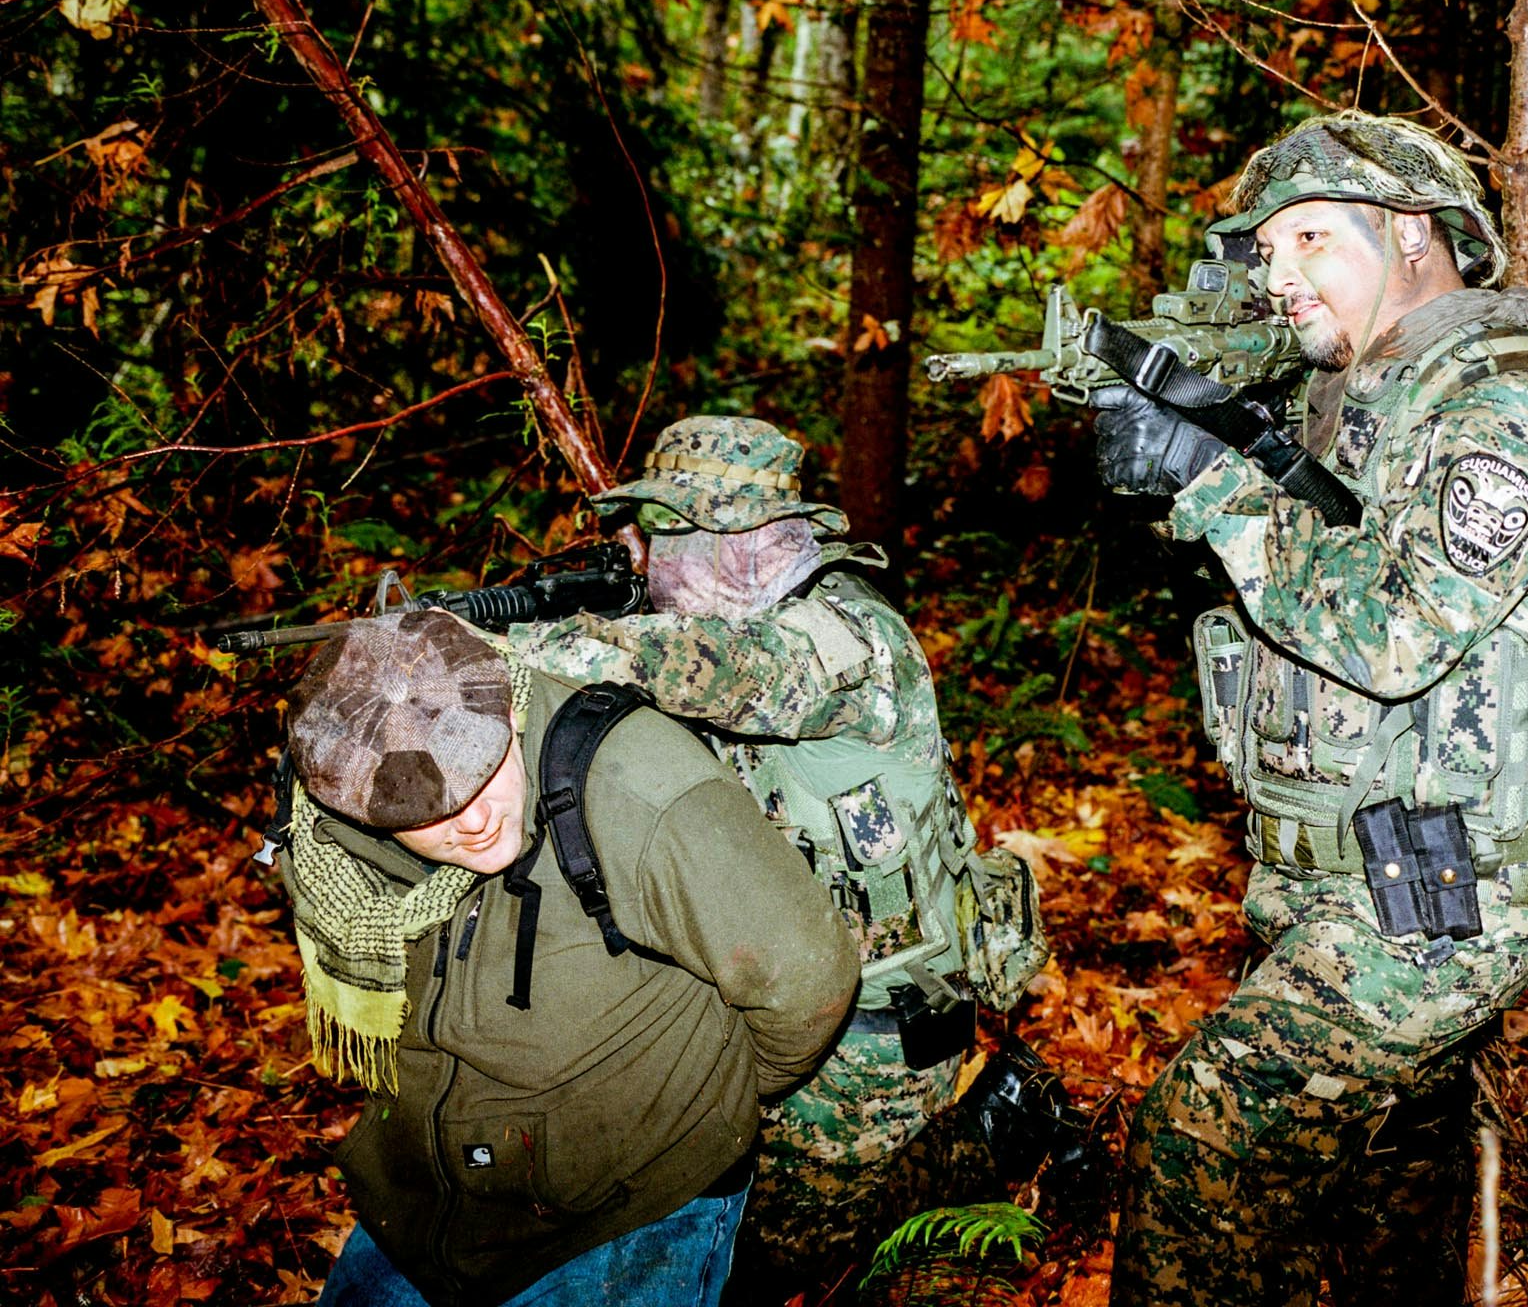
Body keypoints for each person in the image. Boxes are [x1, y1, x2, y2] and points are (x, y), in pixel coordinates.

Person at [1091, 111, 1528, 1306]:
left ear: (1406, 234)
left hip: (1446, 893)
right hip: (1354, 862)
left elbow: (1396, 631)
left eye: (1309, 239)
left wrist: (1210, 482)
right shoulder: (1360, 394)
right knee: (1374, 1184)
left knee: (1200, 1139)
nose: (1278, 275)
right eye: (1265, 251)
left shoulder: (1511, 400)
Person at [509, 417, 1049, 1293]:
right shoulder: (746, 620)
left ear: (740, 544)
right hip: (777, 994)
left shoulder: (844, 639)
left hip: (871, 1032)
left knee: (769, 1259)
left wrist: (498, 648)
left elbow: (713, 671)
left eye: (661, 532)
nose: (642, 554)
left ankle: (984, 1147)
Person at [270, 606, 859, 1307]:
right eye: (429, 813)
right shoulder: (329, 827)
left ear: (508, 713)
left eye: (483, 771)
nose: (474, 820)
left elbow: (809, 978)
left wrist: (710, 1093)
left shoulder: (643, 790)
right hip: (424, 1198)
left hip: (632, 1204)